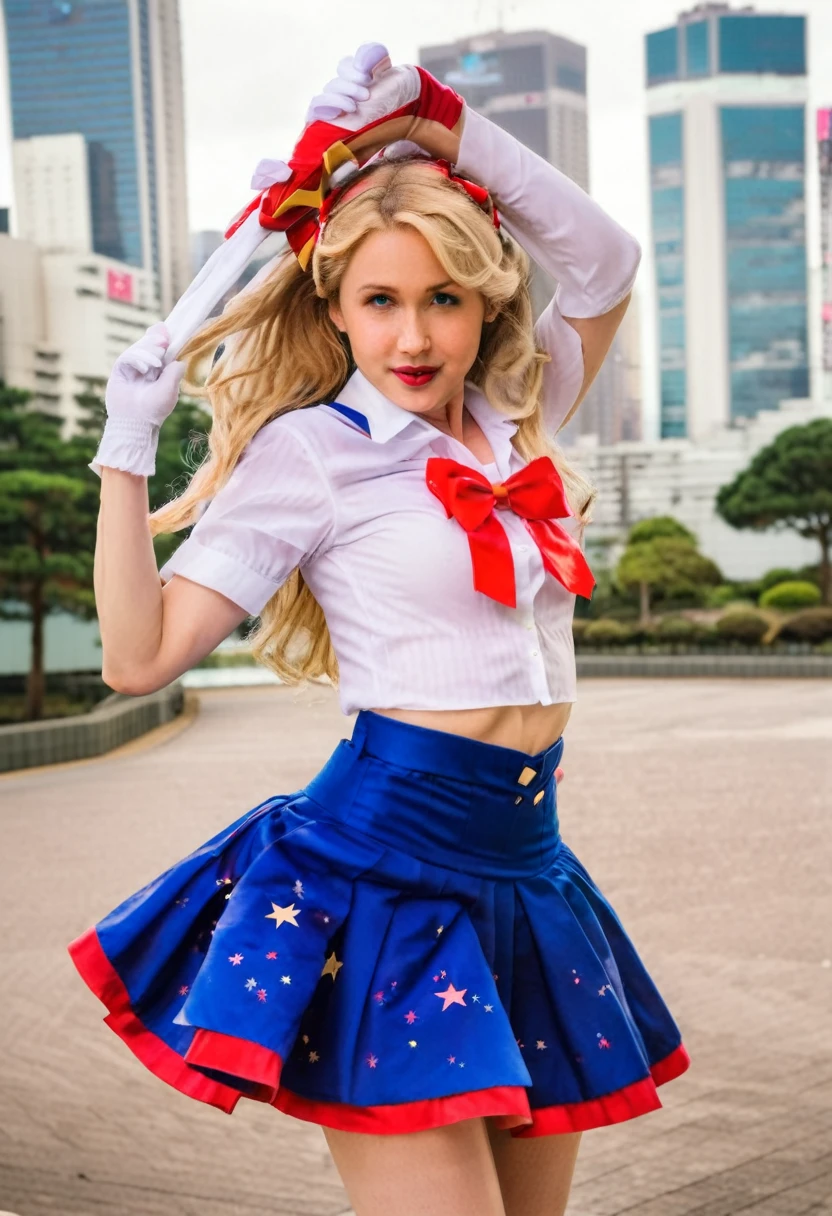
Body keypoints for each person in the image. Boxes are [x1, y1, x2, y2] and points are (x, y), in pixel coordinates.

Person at [68, 43, 690, 1216]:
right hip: (383, 877)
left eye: (443, 298)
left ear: (484, 299)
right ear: (336, 307)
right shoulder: (313, 455)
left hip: (530, 870)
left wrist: (440, 125)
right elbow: (136, 657)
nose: (413, 337)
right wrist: (125, 451)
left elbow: (606, 262)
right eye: (381, 301)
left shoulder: (517, 414)